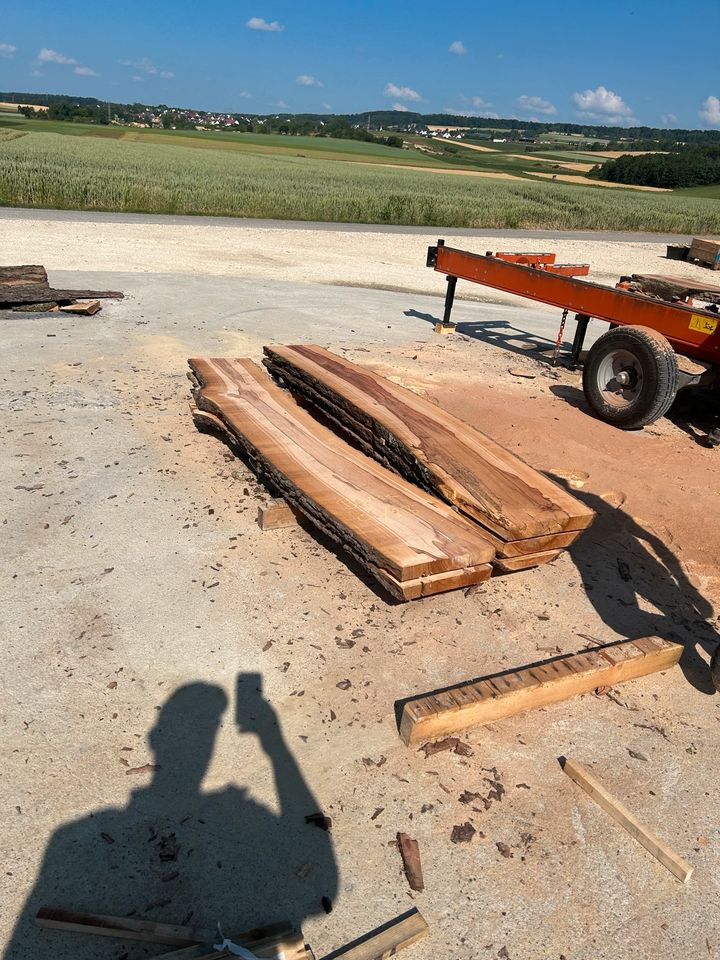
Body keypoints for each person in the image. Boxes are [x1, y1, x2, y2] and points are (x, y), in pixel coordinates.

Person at [6, 678, 338, 959]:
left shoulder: (67, 836)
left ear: (154, 739)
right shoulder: (66, 837)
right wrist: (275, 746)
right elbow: (327, 884)